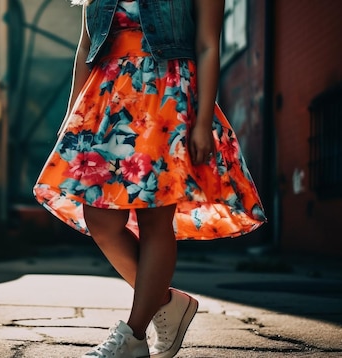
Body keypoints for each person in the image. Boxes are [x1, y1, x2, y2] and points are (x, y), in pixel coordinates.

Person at [32, 0, 267, 357]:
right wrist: (72, 115)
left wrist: (202, 121)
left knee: (155, 219)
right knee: (101, 219)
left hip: (167, 96)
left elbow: (206, 45)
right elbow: (85, 48)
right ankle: (166, 304)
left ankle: (133, 335)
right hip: (107, 100)